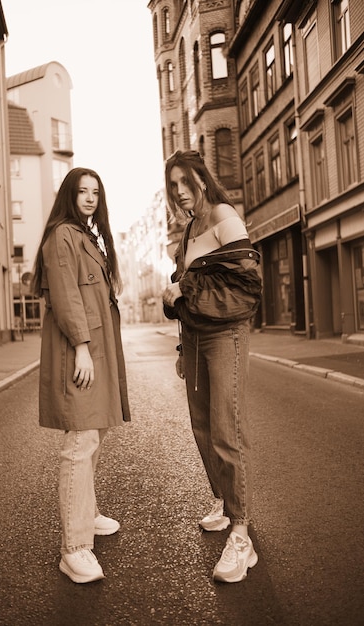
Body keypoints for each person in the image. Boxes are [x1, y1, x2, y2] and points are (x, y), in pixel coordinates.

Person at [162, 150, 262, 583]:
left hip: (226, 336)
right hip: (197, 338)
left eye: (186, 181)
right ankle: (225, 502)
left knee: (226, 428)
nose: (180, 191)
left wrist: (182, 292)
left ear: (202, 179)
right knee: (202, 427)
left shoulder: (224, 215)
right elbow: (192, 287)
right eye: (173, 186)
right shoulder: (187, 230)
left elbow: (246, 284)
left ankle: (241, 534)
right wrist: (184, 344)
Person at [32, 167, 130, 584]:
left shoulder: (89, 236)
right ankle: (73, 548)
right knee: (80, 441)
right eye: (82, 191)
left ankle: (86, 515)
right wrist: (82, 348)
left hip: (97, 350)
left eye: (95, 191)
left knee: (94, 435)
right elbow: (68, 296)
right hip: (82, 350)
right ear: (69, 195)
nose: (90, 197)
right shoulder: (62, 236)